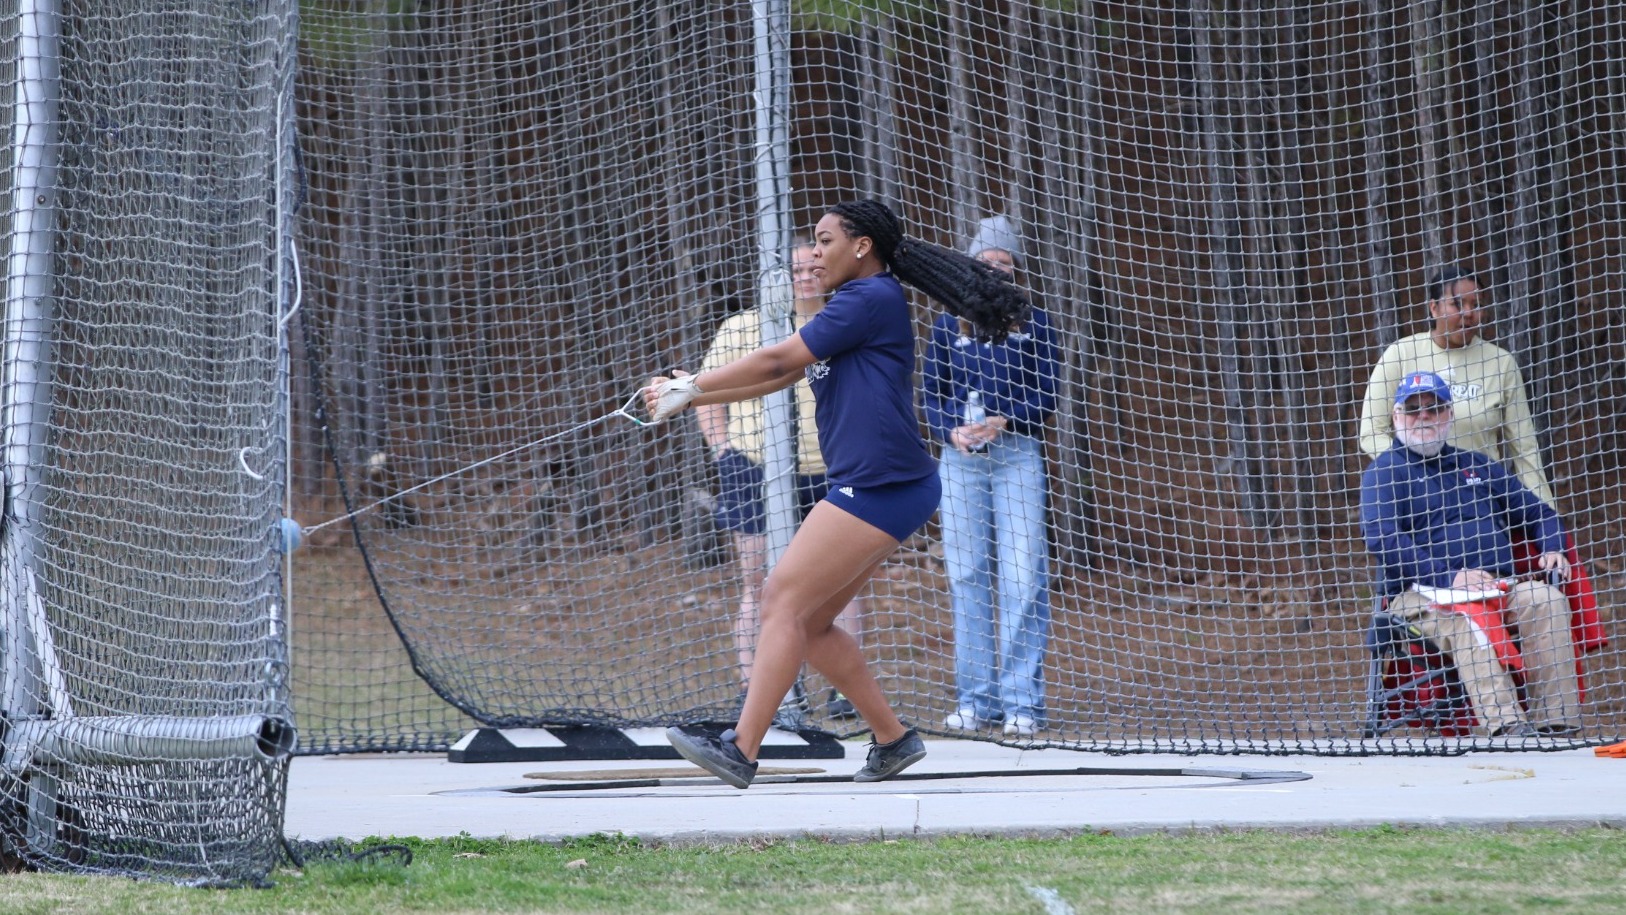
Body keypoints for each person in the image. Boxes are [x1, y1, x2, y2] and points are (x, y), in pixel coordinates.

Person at [644, 199, 1031, 788]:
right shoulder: (853, 305)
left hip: (881, 483)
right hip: (886, 483)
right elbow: (779, 375)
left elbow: (778, 355)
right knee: (814, 624)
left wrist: (693, 382)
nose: (815, 254)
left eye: (825, 242)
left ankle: (740, 750)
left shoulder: (867, 299)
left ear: (861, 247)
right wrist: (691, 400)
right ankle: (893, 740)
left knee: (781, 601)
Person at [1356, 265, 1607, 667]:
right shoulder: (1401, 354)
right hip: (1421, 513)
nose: (1470, 312)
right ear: (1434, 307)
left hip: (1484, 498)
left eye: (1477, 304)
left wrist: (1546, 527)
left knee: (1542, 599)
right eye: (1460, 303)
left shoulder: (1501, 363)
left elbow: (1524, 450)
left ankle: (1552, 719)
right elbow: (1371, 433)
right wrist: (1417, 475)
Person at [1360, 371, 1581, 738]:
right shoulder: (1383, 474)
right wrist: (1450, 578)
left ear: (1449, 415)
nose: (1424, 417)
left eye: (1434, 409)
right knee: (1469, 623)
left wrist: (1553, 547)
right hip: (1420, 596)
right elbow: (1382, 539)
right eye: (1413, 410)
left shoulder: (1477, 465)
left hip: (1496, 585)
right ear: (1396, 417)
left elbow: (1540, 513)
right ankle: (1507, 726)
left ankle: (1556, 723)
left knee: (1547, 600)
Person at [695, 242, 864, 723]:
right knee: (758, 583)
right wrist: (722, 449)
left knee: (842, 585)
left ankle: (842, 691)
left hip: (830, 468)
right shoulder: (743, 327)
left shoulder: (844, 322)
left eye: (814, 267)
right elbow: (709, 390)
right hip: (755, 469)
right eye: (795, 270)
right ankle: (761, 691)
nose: (805, 277)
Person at [921, 216, 1058, 738]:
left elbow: (1049, 392)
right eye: (987, 261)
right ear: (972, 266)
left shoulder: (1036, 323)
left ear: (1016, 270)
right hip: (959, 463)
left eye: (1005, 262)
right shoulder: (946, 323)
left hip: (1017, 455)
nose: (996, 269)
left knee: (1022, 576)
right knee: (967, 574)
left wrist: (1005, 419)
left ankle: (1023, 701)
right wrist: (951, 430)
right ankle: (976, 700)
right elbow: (929, 395)